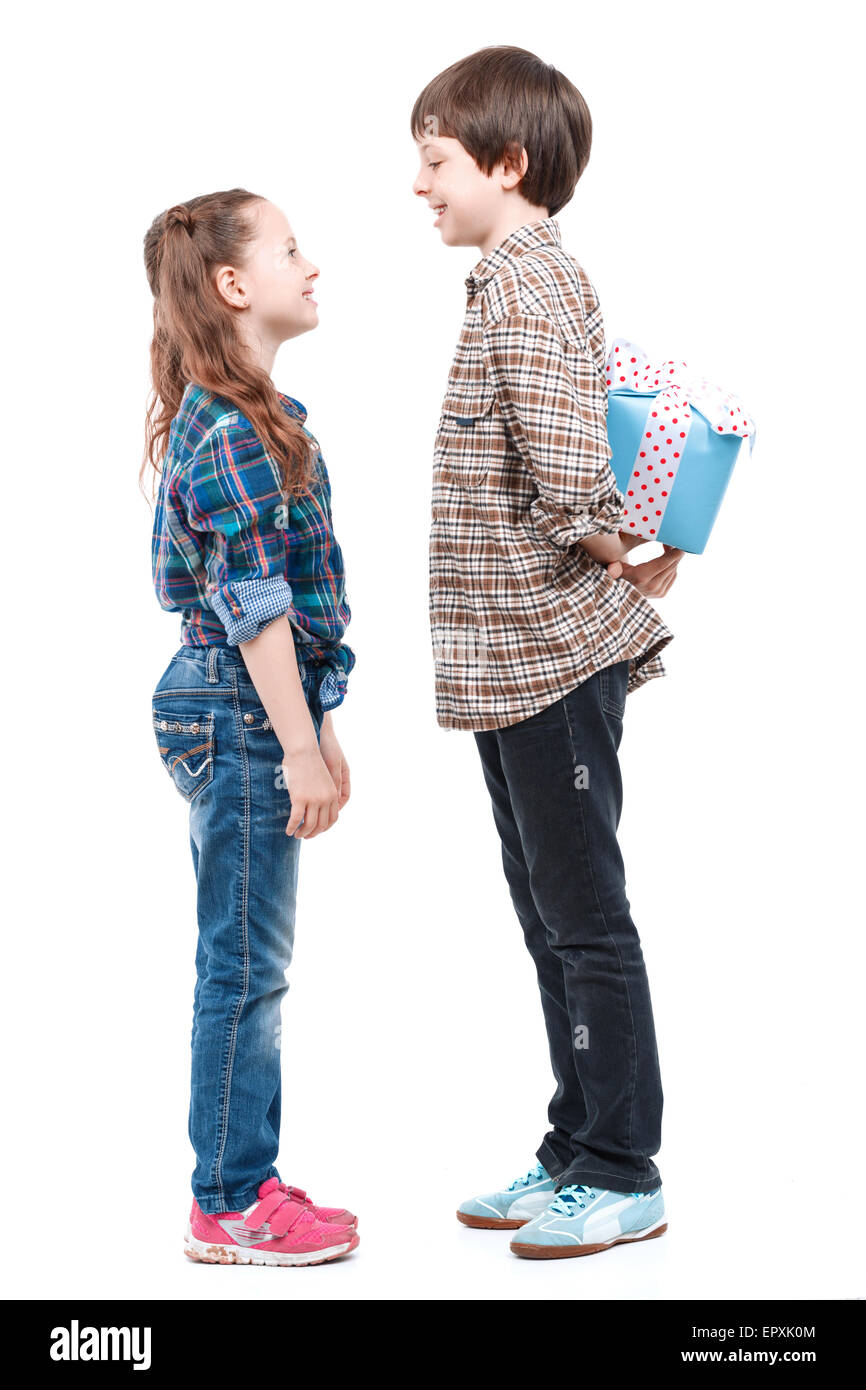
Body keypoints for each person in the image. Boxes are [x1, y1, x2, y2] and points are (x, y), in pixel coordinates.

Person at [411, 47, 683, 1260]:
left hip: (549, 650)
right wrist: (616, 529)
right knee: (546, 911)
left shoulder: (525, 283)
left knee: (582, 916)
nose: (419, 185)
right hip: (509, 655)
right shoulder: (510, 281)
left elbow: (563, 448)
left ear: (506, 163)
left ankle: (623, 1166)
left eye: (434, 160)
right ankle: (575, 1146)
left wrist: (612, 536)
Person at [142, 189, 359, 1267]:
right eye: (288, 250)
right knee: (243, 966)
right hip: (235, 706)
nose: (310, 265)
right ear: (233, 286)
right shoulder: (226, 429)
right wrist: (298, 741)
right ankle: (228, 1197)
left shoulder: (250, 416)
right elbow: (255, 604)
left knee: (246, 958)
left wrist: (315, 722)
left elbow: (278, 607)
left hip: (245, 706)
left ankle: (244, 1173)